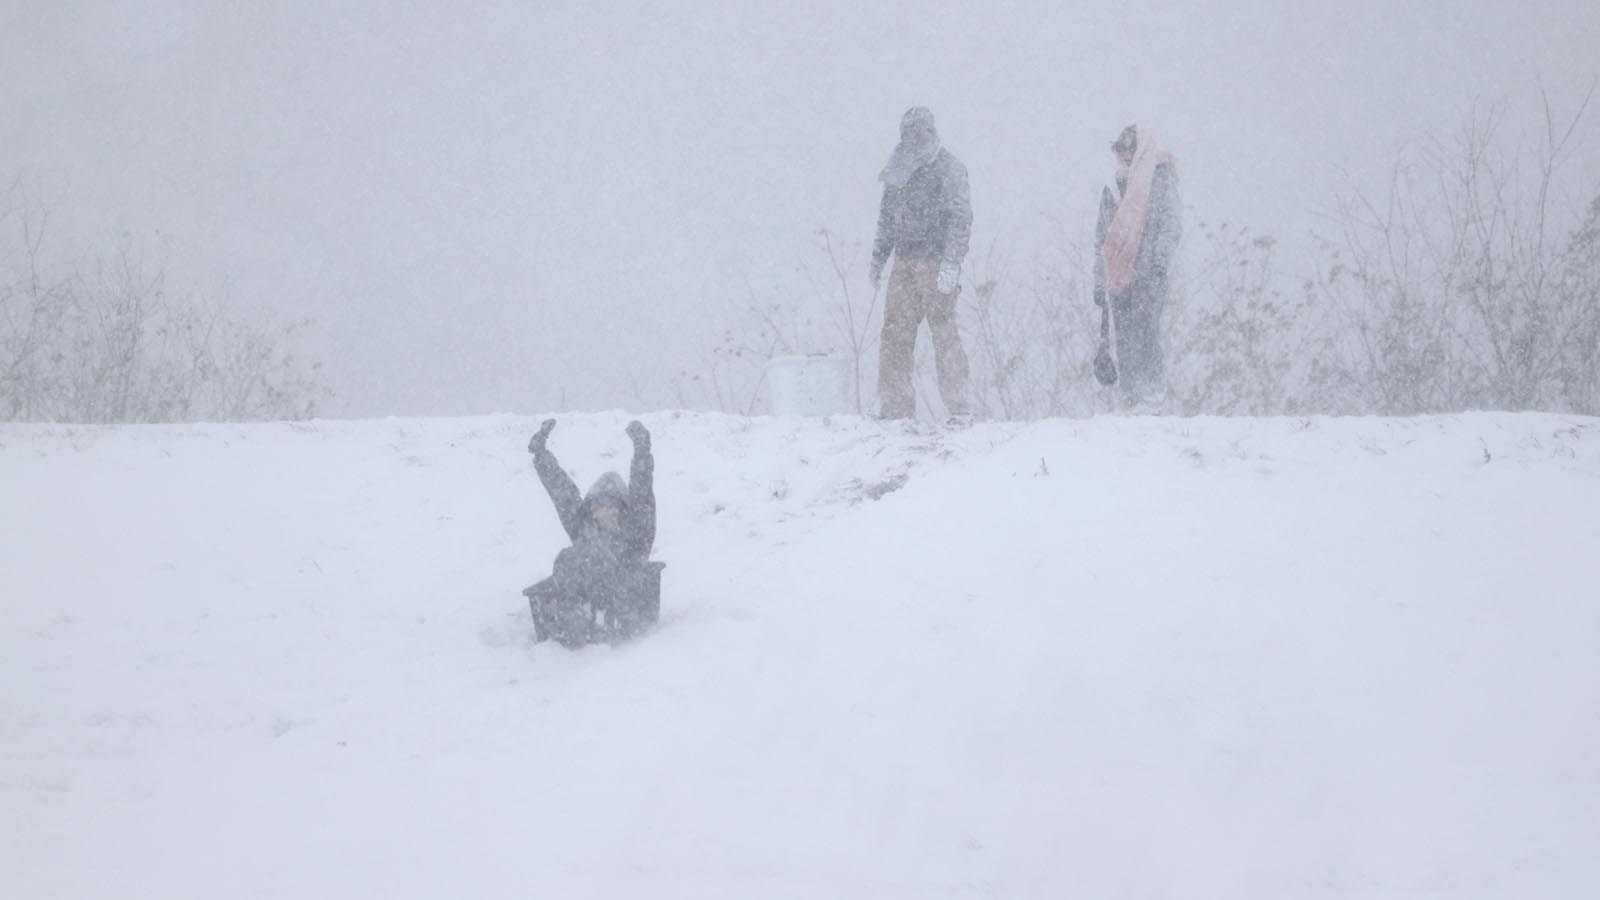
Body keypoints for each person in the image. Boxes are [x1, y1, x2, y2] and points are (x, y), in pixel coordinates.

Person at [869, 106, 974, 421]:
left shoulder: (949, 168)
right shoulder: (898, 167)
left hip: (936, 261)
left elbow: (960, 219)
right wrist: (878, 257)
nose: (912, 139)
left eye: (918, 132)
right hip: (903, 261)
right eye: (907, 133)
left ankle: (959, 407)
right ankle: (896, 409)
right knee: (894, 334)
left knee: (943, 331)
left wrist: (951, 264)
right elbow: (887, 217)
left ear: (931, 131)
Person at [524, 418, 659, 645]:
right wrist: (541, 455)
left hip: (626, 596)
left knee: (597, 556)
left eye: (611, 505)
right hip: (590, 591)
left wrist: (642, 449)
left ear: (621, 507)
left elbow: (642, 487)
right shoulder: (584, 528)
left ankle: (607, 624)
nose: (605, 511)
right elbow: (562, 492)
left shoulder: (637, 529)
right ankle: (572, 619)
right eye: (598, 506)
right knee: (570, 555)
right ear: (592, 510)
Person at [1095, 124, 1182, 412]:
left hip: (1148, 273)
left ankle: (1153, 395)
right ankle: (1130, 398)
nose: (1125, 156)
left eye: (1130, 149)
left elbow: (1170, 224)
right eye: (1120, 150)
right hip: (1119, 277)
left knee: (1147, 333)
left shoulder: (1158, 178)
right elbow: (1102, 239)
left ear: (1141, 149)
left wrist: (1159, 264)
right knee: (1125, 338)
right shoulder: (1112, 185)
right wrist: (1099, 281)